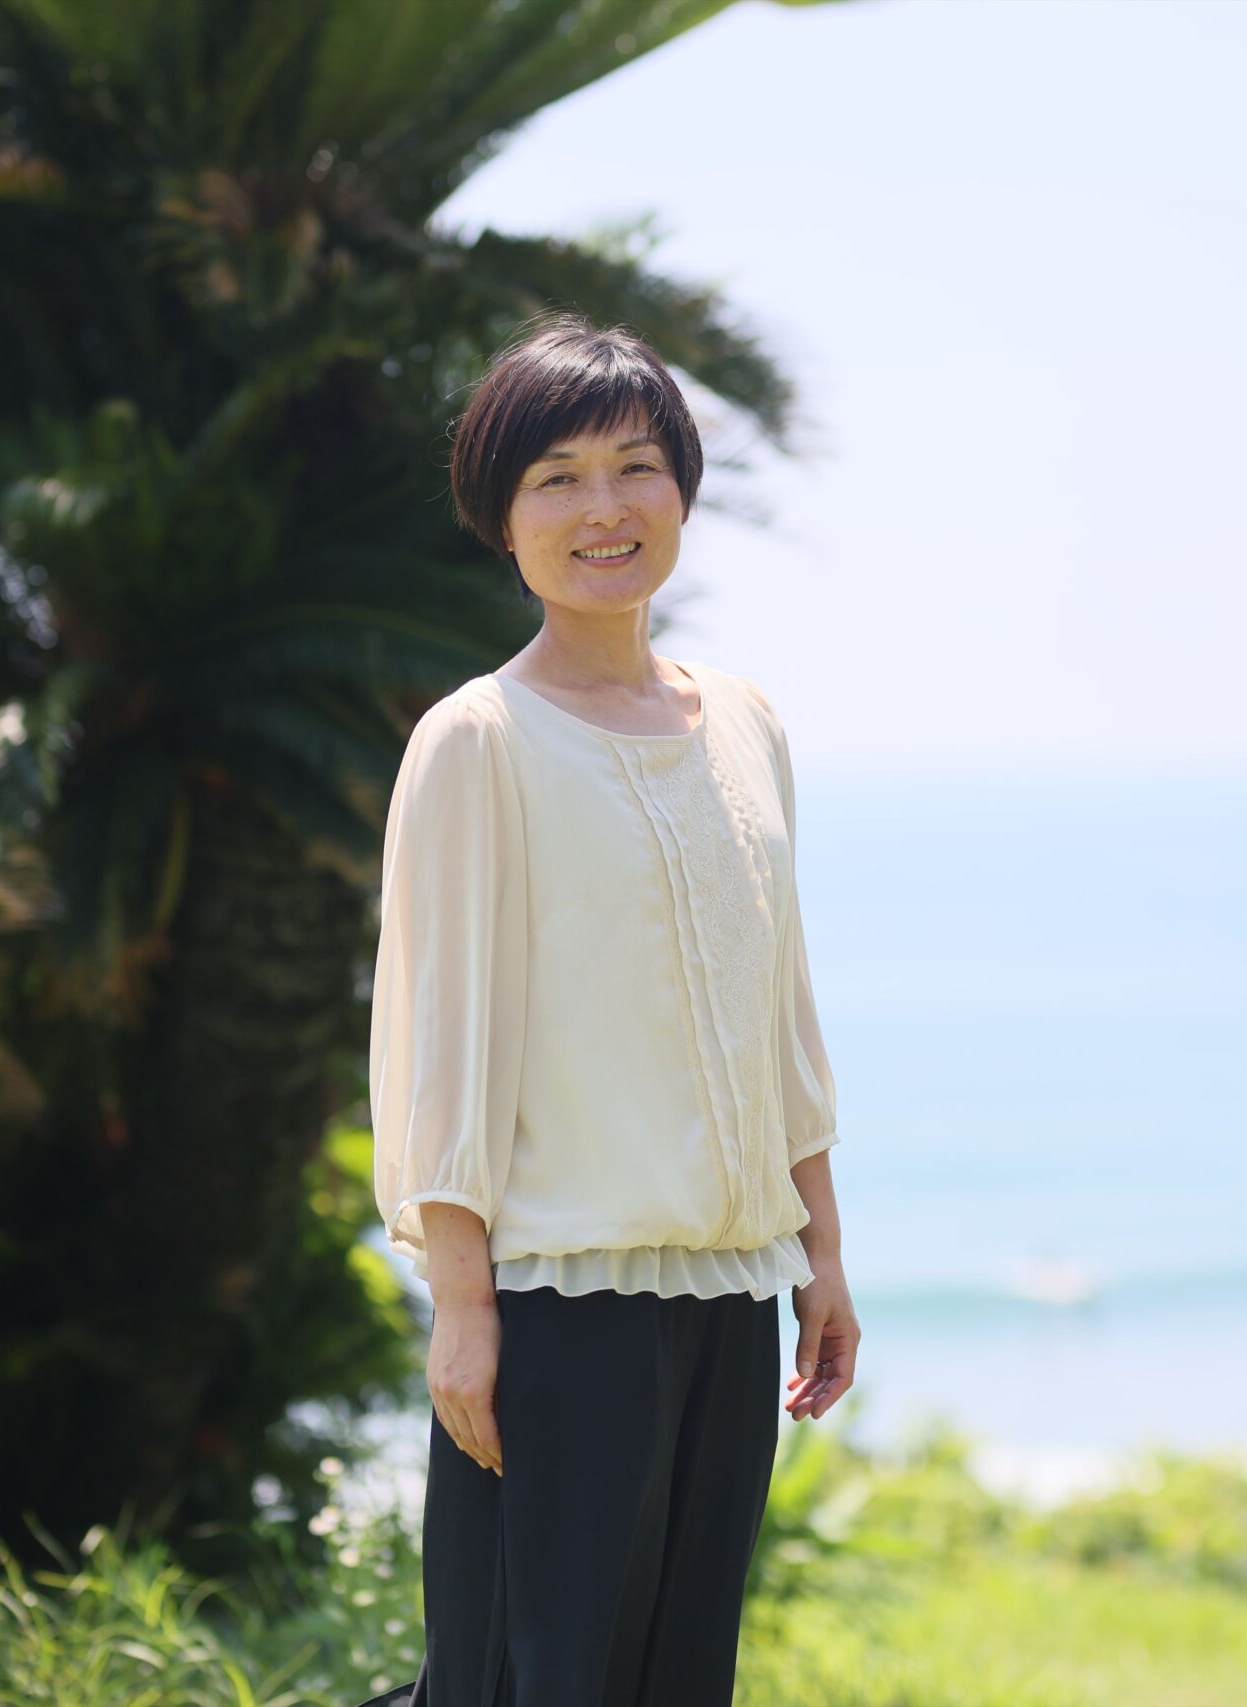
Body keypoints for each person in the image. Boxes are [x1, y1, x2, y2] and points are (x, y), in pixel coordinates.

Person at [363, 309, 859, 1706]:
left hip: (728, 1298)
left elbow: (779, 1016)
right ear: (502, 517)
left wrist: (820, 1252)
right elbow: (444, 1048)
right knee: (530, 1681)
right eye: (557, 478)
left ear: (682, 488)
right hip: (554, 1305)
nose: (604, 509)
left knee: (678, 1681)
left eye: (636, 466)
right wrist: (464, 1309)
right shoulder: (477, 740)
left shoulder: (746, 723)